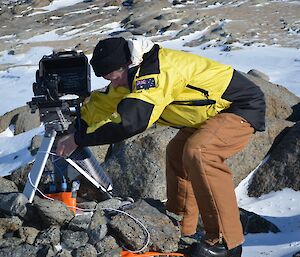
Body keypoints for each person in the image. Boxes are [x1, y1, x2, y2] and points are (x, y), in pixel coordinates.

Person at [56, 36, 266, 257]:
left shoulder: (156, 72)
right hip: (207, 116)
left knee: (200, 151)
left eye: (114, 77)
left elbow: (132, 121)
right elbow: (105, 102)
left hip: (238, 106)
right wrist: (77, 124)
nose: (114, 83)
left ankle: (226, 243)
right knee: (176, 153)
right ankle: (181, 228)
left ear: (127, 65)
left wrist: (79, 139)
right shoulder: (130, 75)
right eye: (108, 79)